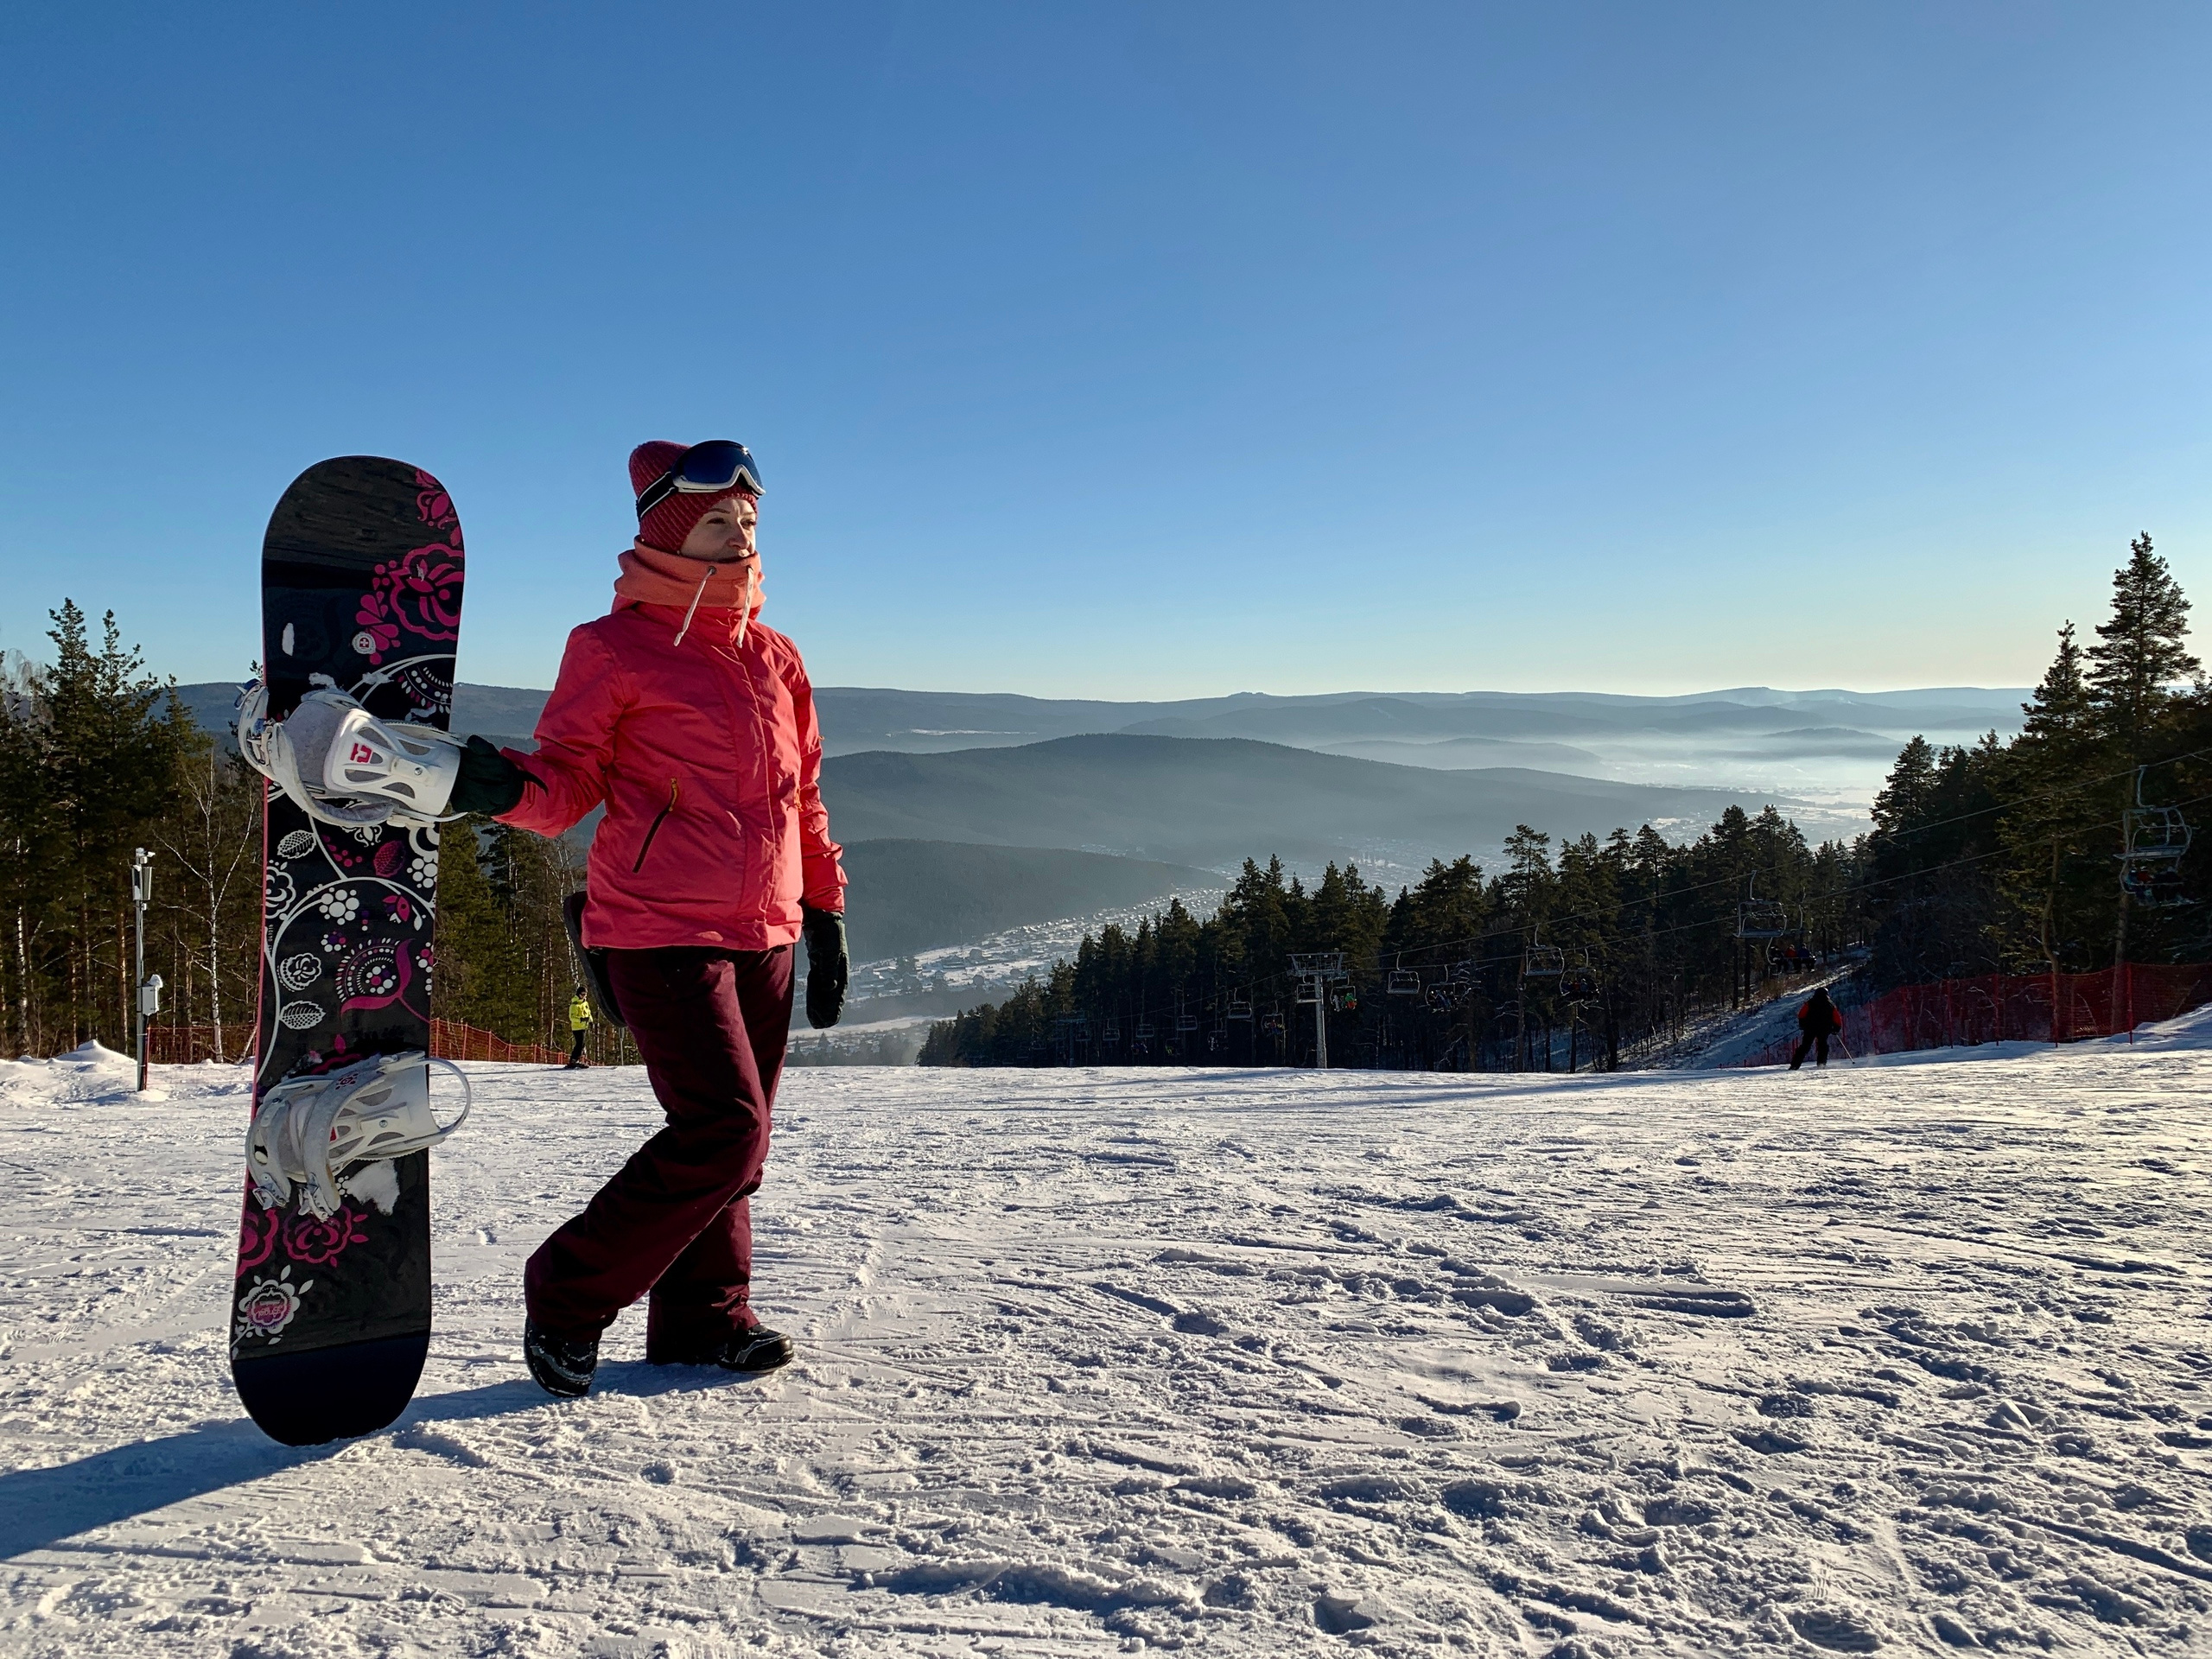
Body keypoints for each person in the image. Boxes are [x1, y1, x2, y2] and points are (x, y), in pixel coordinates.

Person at [445, 439, 851, 1398]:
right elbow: (568, 782)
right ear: (668, 531)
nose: (740, 536)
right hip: (656, 928)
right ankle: (566, 1296)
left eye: (748, 521)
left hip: (765, 931)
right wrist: (495, 785)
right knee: (724, 1129)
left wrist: (824, 911)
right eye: (718, 521)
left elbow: (806, 797)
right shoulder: (611, 647)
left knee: (732, 1148)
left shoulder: (775, 655)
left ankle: (705, 1321)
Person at [1790, 985, 1843, 1070]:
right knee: (1823, 1045)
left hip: (1810, 1028)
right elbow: (1836, 1018)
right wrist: (1836, 1028)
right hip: (1824, 1028)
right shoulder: (1830, 1004)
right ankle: (1821, 1064)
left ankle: (1795, 1065)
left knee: (1805, 1046)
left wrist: (1802, 1024)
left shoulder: (1810, 1003)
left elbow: (1801, 1014)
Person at [565, 985, 593, 1069]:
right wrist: (581, 1019)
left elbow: (588, 1013)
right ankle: (573, 1060)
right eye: (582, 994)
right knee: (580, 1044)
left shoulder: (585, 1003)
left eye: (585, 994)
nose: (584, 996)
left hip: (584, 1027)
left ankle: (576, 1060)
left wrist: (591, 1021)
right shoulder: (574, 1005)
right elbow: (572, 1017)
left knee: (582, 1044)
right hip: (577, 1027)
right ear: (578, 994)